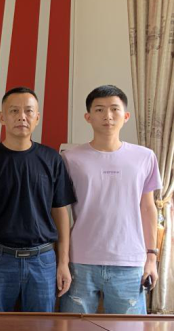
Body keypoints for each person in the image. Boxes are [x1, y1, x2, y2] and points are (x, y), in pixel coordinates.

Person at [60, 85, 162, 314]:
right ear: (88, 117)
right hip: (80, 260)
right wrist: (63, 260)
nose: (108, 115)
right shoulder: (70, 159)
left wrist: (151, 258)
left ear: (126, 116)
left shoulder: (145, 157)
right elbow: (61, 211)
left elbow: (148, 208)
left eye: (115, 109)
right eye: (99, 109)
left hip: (129, 262)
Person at [0, 86, 76, 312]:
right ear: (2, 117)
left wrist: (63, 262)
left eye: (29, 111)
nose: (22, 116)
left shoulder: (52, 159)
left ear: (37, 118)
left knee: (42, 329)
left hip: (43, 260)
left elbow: (60, 212)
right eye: (14, 111)